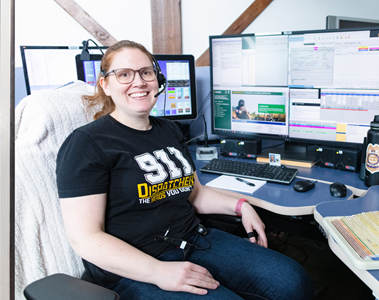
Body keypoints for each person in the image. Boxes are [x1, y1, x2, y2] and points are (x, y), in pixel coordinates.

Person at [57, 40, 313, 299]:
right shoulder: (86, 143)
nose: (139, 82)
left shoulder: (168, 130)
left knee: (293, 281)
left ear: (157, 80)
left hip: (194, 240)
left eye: (146, 72)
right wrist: (158, 271)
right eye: (124, 74)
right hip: (134, 267)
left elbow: (194, 194)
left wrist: (241, 205)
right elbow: (85, 238)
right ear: (105, 84)